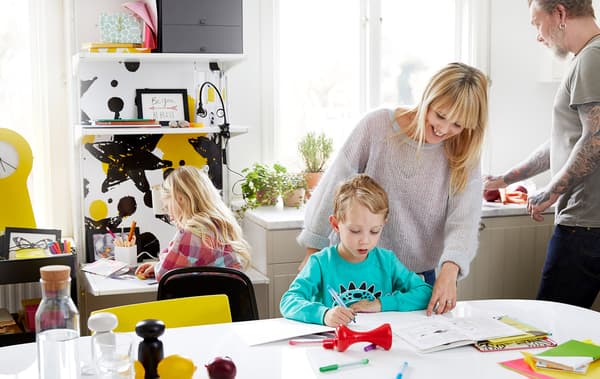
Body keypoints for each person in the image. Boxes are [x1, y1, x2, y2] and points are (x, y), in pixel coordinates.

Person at [297, 62, 489, 315]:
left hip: (417, 280)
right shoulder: (376, 126)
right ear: (427, 99)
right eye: (440, 115)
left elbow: (463, 220)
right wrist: (314, 251)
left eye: (457, 124)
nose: (444, 129)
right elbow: (333, 184)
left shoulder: (464, 153)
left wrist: (450, 270)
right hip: (355, 268)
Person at [484, 0, 600, 309]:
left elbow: (596, 138)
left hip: (585, 223)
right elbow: (564, 140)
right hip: (587, 223)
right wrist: (505, 180)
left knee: (552, 324)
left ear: (560, 14)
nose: (538, 36)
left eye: (537, 23)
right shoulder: (587, 58)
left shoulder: (592, 59)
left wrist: (551, 191)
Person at [280, 174, 432, 326]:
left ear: (383, 224)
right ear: (335, 224)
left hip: (378, 342)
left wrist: (381, 304)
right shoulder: (320, 263)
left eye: (374, 231)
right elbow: (289, 301)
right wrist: (324, 314)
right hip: (334, 344)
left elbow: (426, 293)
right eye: (354, 230)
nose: (365, 241)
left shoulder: (387, 261)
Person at [136, 166, 251, 281]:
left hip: (206, 298)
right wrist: (157, 265)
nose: (169, 213)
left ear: (180, 199)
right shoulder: (220, 225)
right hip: (230, 297)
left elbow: (164, 274)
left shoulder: (190, 233)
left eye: (167, 206)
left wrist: (158, 267)